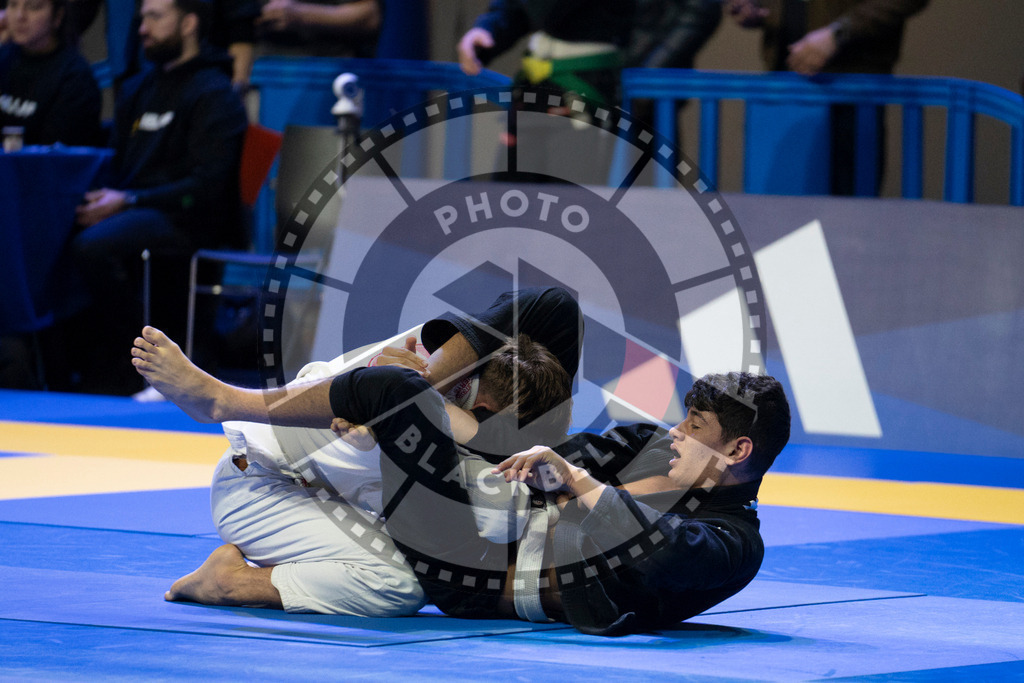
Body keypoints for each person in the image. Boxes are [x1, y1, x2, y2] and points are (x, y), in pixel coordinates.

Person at [132, 288, 791, 636]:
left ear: (737, 452)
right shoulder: (655, 447)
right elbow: (582, 441)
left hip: (471, 564)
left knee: (396, 396)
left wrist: (577, 482)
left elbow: (666, 553)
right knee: (552, 310)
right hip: (499, 485)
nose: (676, 433)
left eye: (695, 427)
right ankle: (431, 379)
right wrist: (502, 434)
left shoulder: (736, 543)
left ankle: (227, 399)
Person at [136, 287, 580, 616]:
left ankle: (232, 582)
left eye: (460, 390)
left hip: (285, 501)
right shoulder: (409, 367)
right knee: (410, 384)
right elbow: (550, 306)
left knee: (404, 586)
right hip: (260, 473)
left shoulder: (483, 469)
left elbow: (497, 517)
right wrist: (432, 384)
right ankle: (224, 399)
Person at [62, 0, 247, 395]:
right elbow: (116, 163)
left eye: (155, 17)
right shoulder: (140, 87)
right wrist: (104, 201)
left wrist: (128, 201)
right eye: (142, 17)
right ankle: (86, 365)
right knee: (60, 226)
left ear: (189, 23)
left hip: (189, 218)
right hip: (136, 208)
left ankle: (150, 365)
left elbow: (206, 187)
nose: (143, 28)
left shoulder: (215, 93)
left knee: (96, 248)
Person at [725, 0, 929, 195]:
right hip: (783, 87)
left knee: (848, 212)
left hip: (851, 87)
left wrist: (838, 32)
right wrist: (758, 8)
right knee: (778, 212)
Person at [0, 0, 103, 146]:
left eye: (33, 7)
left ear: (58, 16)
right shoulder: (4, 57)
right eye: (13, 5)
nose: (19, 16)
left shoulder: (75, 78)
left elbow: (54, 158)